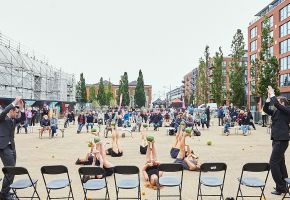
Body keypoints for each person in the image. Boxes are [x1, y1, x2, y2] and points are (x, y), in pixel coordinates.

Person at [263, 86, 290, 195]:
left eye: (278, 102)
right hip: (276, 140)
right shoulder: (276, 112)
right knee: (280, 163)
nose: (275, 104)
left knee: (273, 163)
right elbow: (265, 109)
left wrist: (273, 93)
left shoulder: (287, 110)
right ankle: (284, 185)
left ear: (282, 103)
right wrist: (268, 98)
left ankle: (281, 187)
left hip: (282, 140)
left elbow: (277, 104)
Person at [0, 97, 25, 200]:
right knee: (10, 170)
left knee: (11, 170)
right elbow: (4, 111)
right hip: (3, 146)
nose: (17, 114)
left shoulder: (13, 120)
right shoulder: (2, 118)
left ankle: (6, 191)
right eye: (16, 112)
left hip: (11, 147)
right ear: (11, 111)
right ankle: (3, 194)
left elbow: (22, 119)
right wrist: (14, 102)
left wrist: (22, 108)